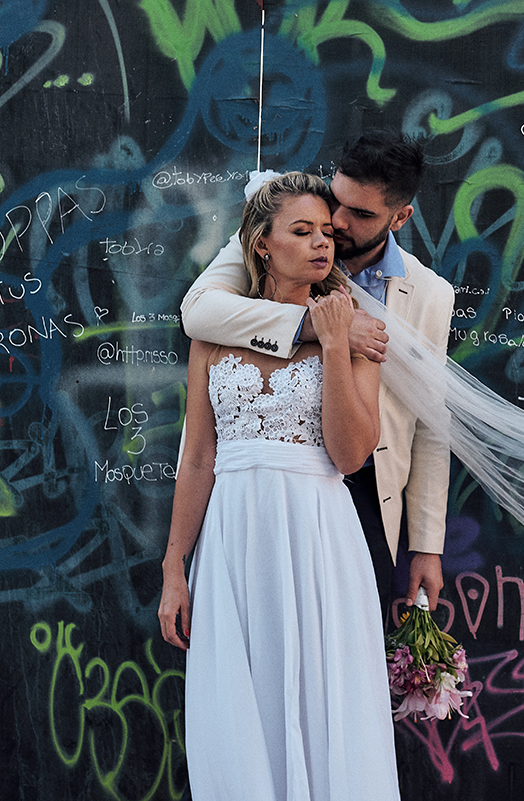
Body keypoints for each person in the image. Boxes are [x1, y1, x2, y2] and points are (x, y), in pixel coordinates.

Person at [159, 172, 400, 800]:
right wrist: (174, 568)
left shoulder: (359, 330)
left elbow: (350, 455)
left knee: (323, 698)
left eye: (327, 232)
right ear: (260, 244)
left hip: (318, 534)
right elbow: (199, 457)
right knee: (243, 700)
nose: (322, 243)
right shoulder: (215, 331)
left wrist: (338, 338)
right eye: (302, 231)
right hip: (235, 537)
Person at [180, 131, 455, 616]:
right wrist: (314, 326)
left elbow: (431, 423)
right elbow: (199, 313)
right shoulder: (286, 233)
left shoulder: (430, 295)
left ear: (401, 217)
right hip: (255, 497)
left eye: (362, 215)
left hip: (367, 489)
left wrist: (427, 543)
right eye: (338, 201)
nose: (339, 225)